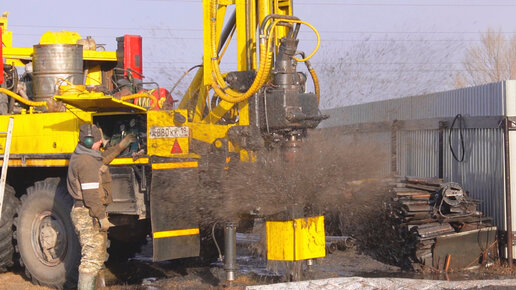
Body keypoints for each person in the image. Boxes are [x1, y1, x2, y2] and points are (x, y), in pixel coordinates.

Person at [67, 124, 135, 290]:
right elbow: (91, 197)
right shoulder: (86, 163)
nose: (100, 144)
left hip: (88, 211)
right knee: (91, 258)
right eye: (98, 141)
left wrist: (119, 147)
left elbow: (101, 158)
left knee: (98, 254)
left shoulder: (85, 154)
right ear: (90, 141)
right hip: (87, 212)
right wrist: (101, 217)